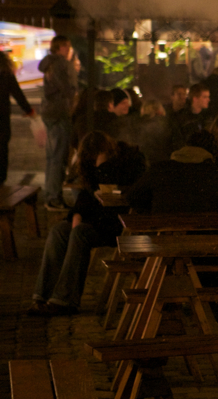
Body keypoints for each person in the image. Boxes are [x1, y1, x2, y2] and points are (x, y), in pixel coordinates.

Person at [28, 131, 145, 316]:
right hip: (97, 220)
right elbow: (87, 193)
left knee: (80, 233)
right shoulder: (92, 164)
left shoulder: (130, 159)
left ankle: (65, 300)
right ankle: (42, 297)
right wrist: (76, 214)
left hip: (118, 223)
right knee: (59, 230)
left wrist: (103, 163)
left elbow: (123, 189)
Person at [126, 130, 218, 214]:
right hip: (204, 234)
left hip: (163, 232)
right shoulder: (216, 173)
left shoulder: (160, 168)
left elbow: (132, 196)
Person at [39, 35, 77, 210]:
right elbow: (67, 88)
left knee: (51, 156)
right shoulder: (61, 63)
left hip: (48, 110)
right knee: (59, 157)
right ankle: (54, 198)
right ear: (58, 47)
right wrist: (74, 94)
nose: (68, 49)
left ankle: (50, 194)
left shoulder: (48, 63)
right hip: (60, 111)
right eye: (65, 46)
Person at [0, 51, 36, 184]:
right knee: (2, 148)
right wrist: (28, 110)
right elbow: (17, 93)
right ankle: (1, 179)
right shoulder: (6, 74)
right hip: (2, 116)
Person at [135, 99, 175, 166]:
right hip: (167, 162)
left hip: (148, 164)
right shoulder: (168, 123)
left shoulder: (139, 126)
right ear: (160, 109)